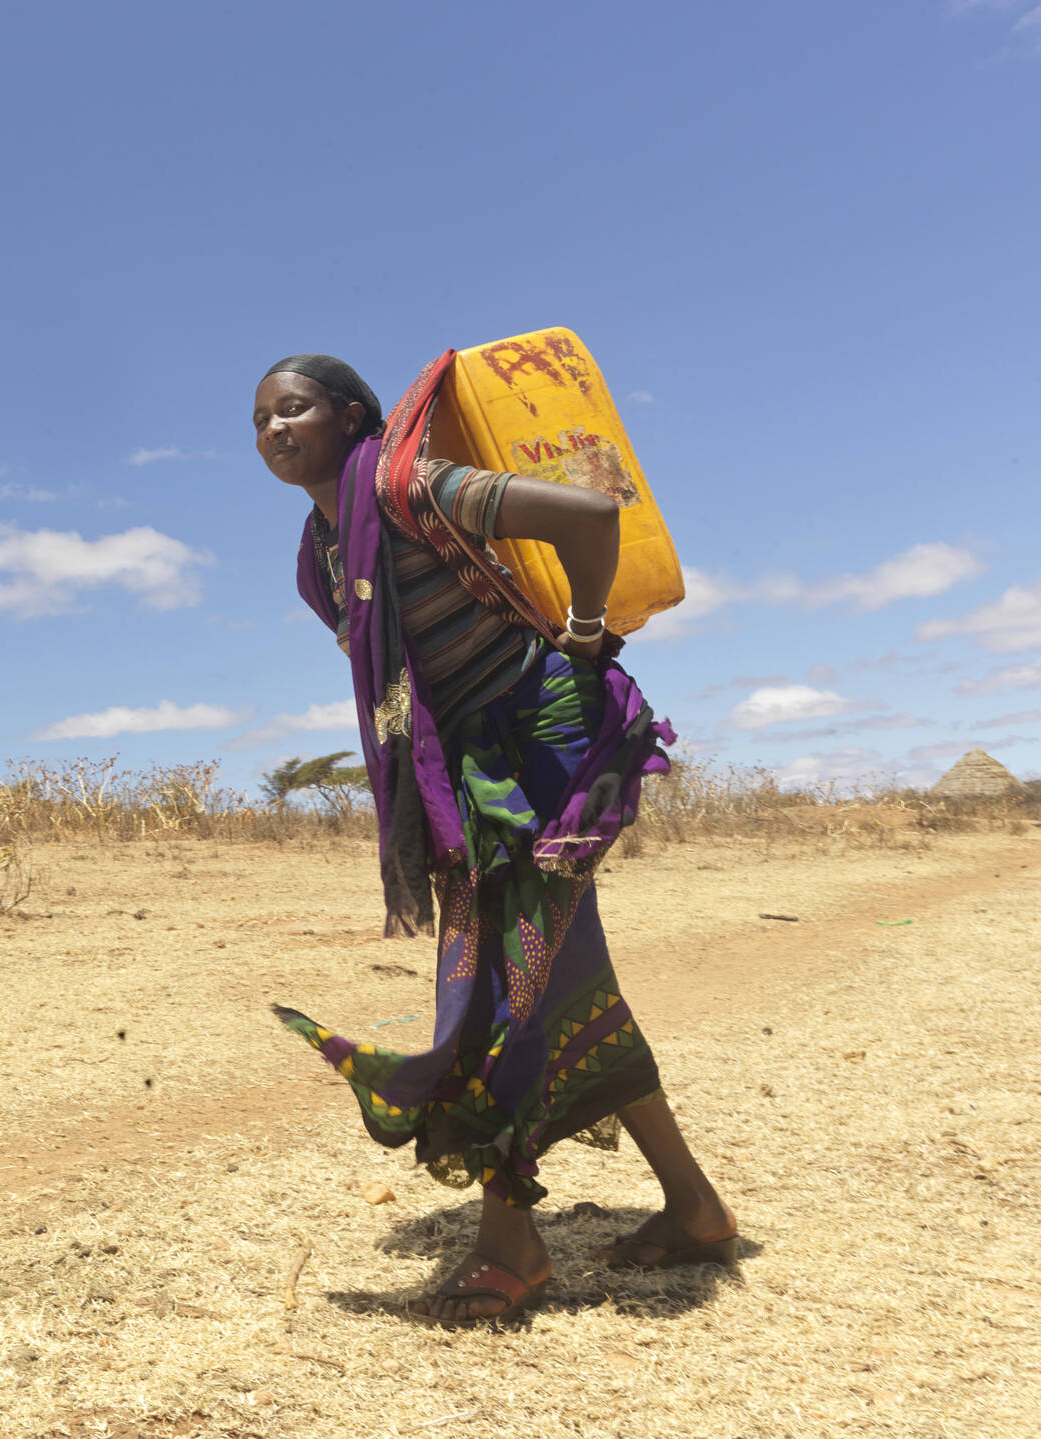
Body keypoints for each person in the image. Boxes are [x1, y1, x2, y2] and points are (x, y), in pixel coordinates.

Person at [255, 352, 736, 1326]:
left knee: (502, 988)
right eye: (259, 420)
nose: (272, 430)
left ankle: (511, 1248)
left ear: (353, 416)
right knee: (558, 979)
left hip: (547, 750)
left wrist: (591, 631)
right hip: (471, 779)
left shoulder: (407, 486)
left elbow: (588, 516)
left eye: (293, 408)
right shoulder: (319, 557)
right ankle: (695, 1206)